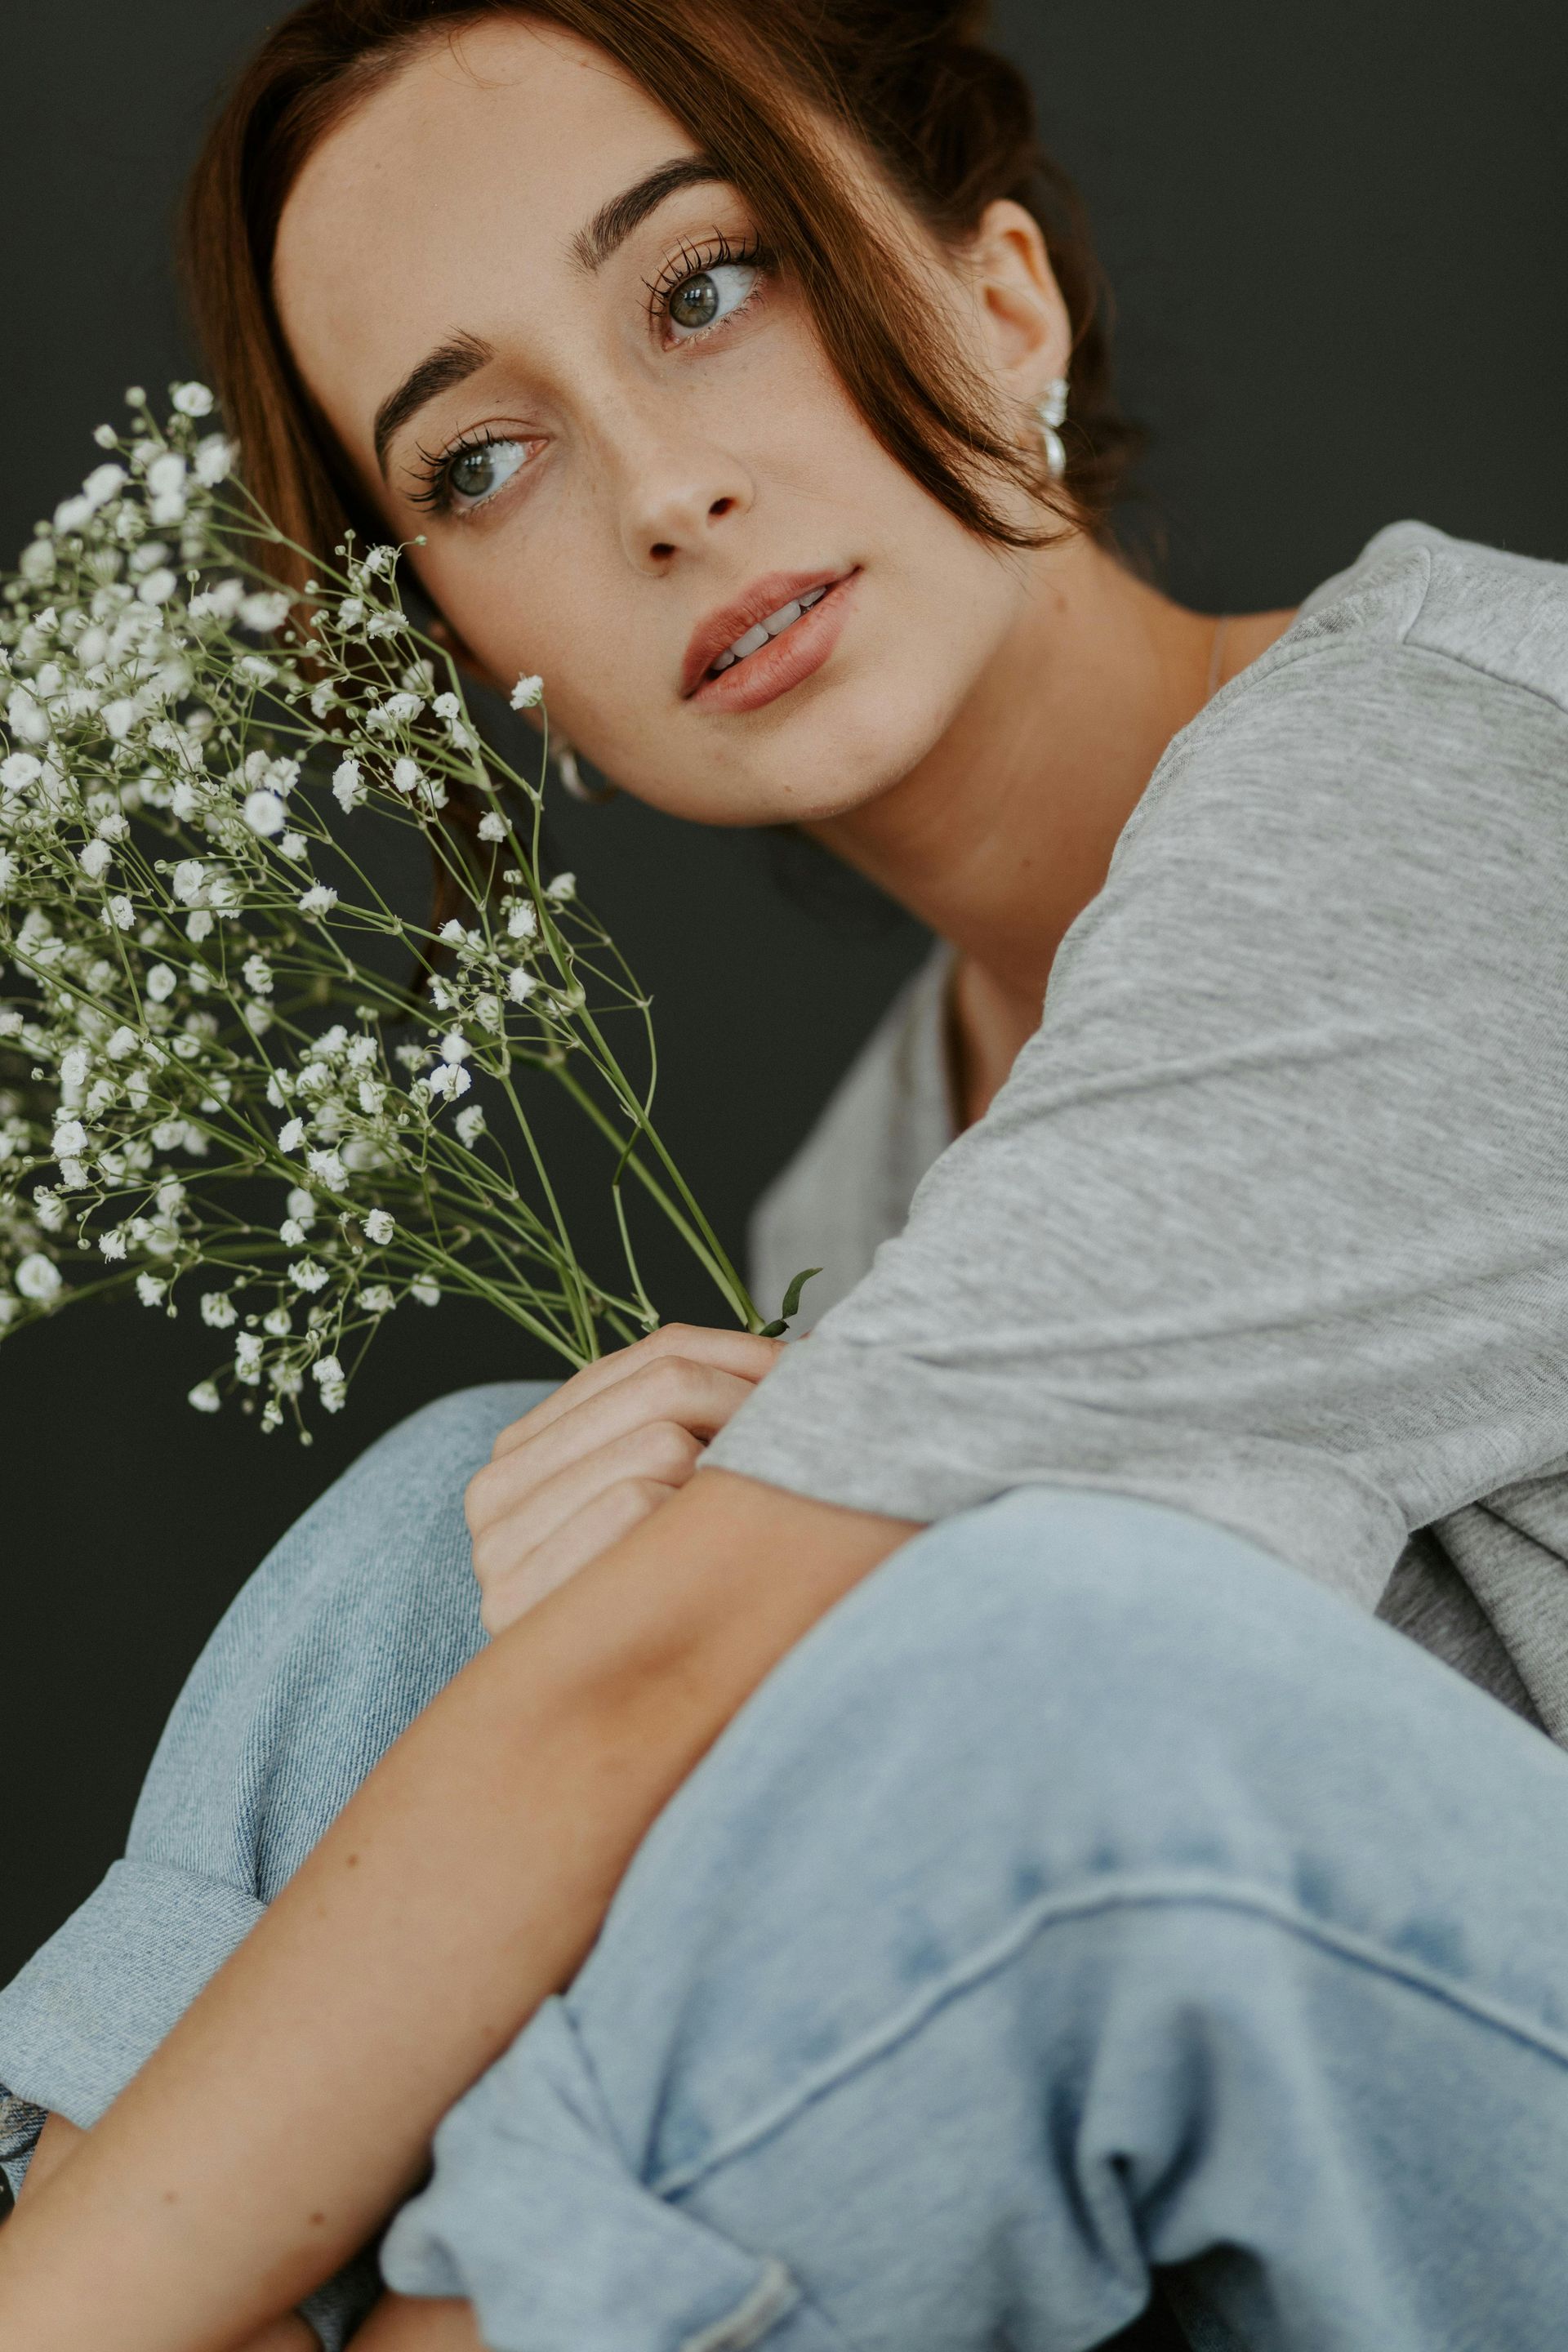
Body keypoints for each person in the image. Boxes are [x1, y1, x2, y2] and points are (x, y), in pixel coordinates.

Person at [4, 1, 1568, 2345]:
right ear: (457, 650)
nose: (656, 492)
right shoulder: (868, 1199)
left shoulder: (1442, 789)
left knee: (1033, 1667)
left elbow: (676, 1697)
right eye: (478, 463)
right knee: (468, 1528)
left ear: (1003, 300)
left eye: (706, 286)